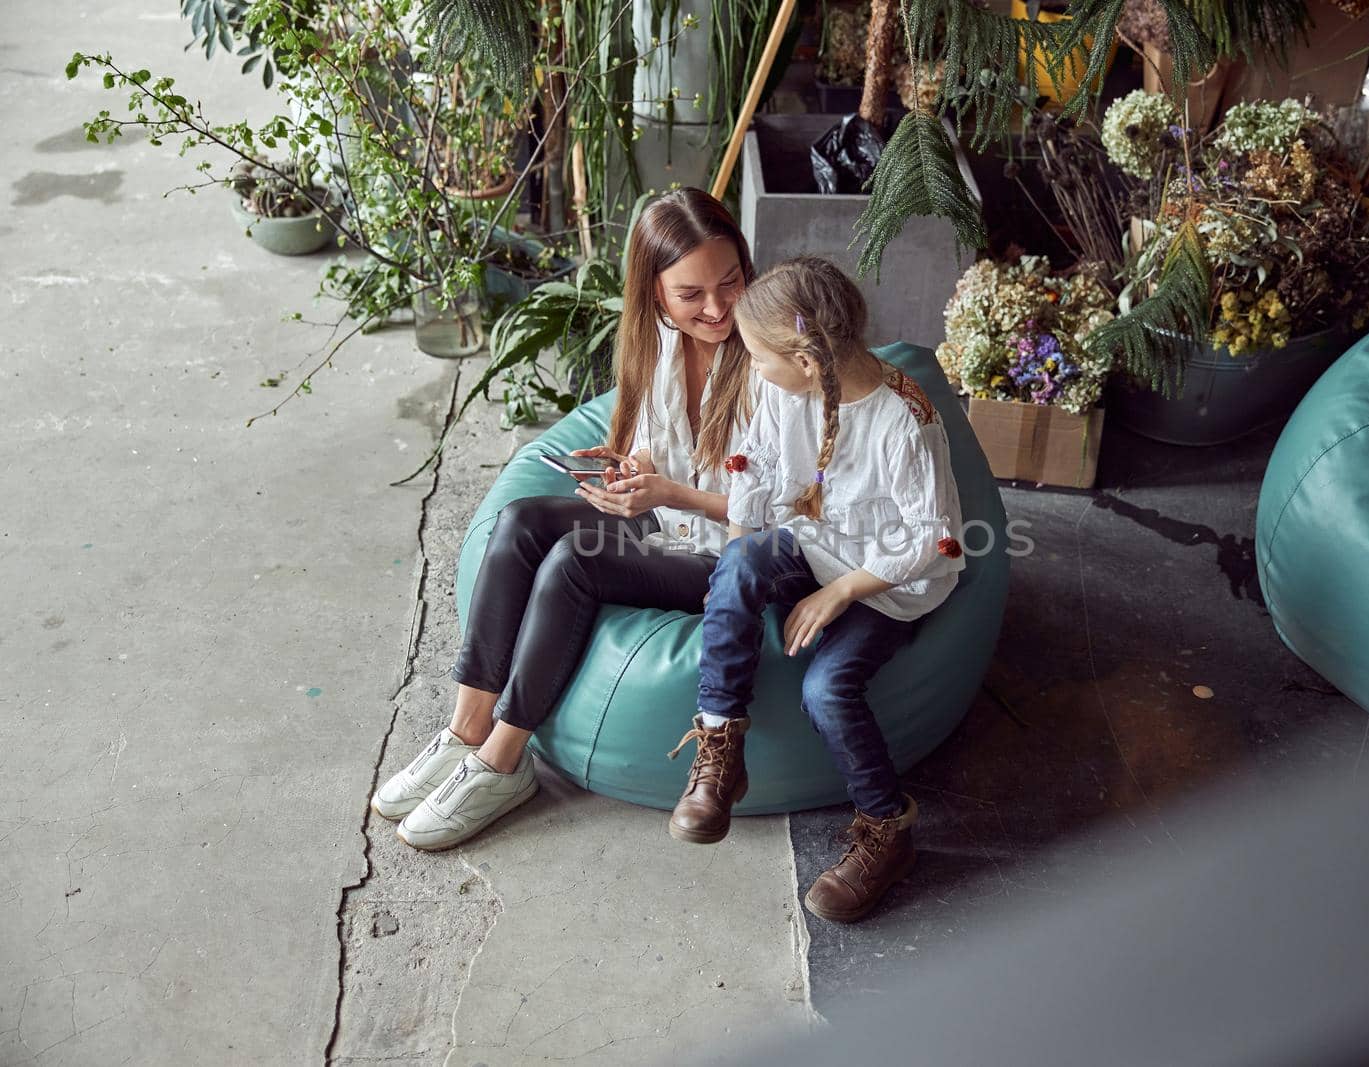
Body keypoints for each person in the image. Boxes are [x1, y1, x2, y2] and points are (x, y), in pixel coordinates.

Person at [371, 188, 757, 851]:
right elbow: (656, 450)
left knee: (573, 562)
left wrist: (666, 492)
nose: (717, 307)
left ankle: (503, 757)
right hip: (667, 520)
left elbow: (780, 511)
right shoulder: (660, 344)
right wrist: (624, 469)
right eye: (691, 294)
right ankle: (467, 726)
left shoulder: (769, 354)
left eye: (730, 281)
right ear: (655, 294)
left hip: (729, 555)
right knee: (520, 522)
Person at [666, 256, 966, 923]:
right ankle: (721, 744)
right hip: (815, 546)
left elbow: (937, 541)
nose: (752, 368)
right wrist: (744, 549)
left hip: (888, 582)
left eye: (758, 357)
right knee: (742, 562)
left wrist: (841, 593)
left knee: (826, 689)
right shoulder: (784, 390)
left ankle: (888, 826)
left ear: (805, 359)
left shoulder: (903, 422)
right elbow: (753, 463)